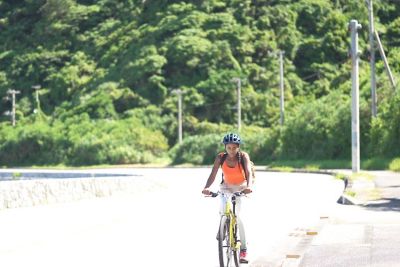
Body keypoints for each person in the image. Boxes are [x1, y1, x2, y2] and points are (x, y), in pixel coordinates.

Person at [202, 132, 252, 264]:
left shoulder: (243, 157)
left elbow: (249, 173)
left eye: (234, 148)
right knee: (223, 208)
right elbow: (213, 174)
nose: (231, 151)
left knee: (237, 215)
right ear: (225, 147)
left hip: (241, 186)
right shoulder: (221, 158)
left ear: (238, 147)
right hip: (226, 186)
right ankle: (223, 226)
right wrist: (206, 187)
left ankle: (243, 250)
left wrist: (249, 186)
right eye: (229, 148)